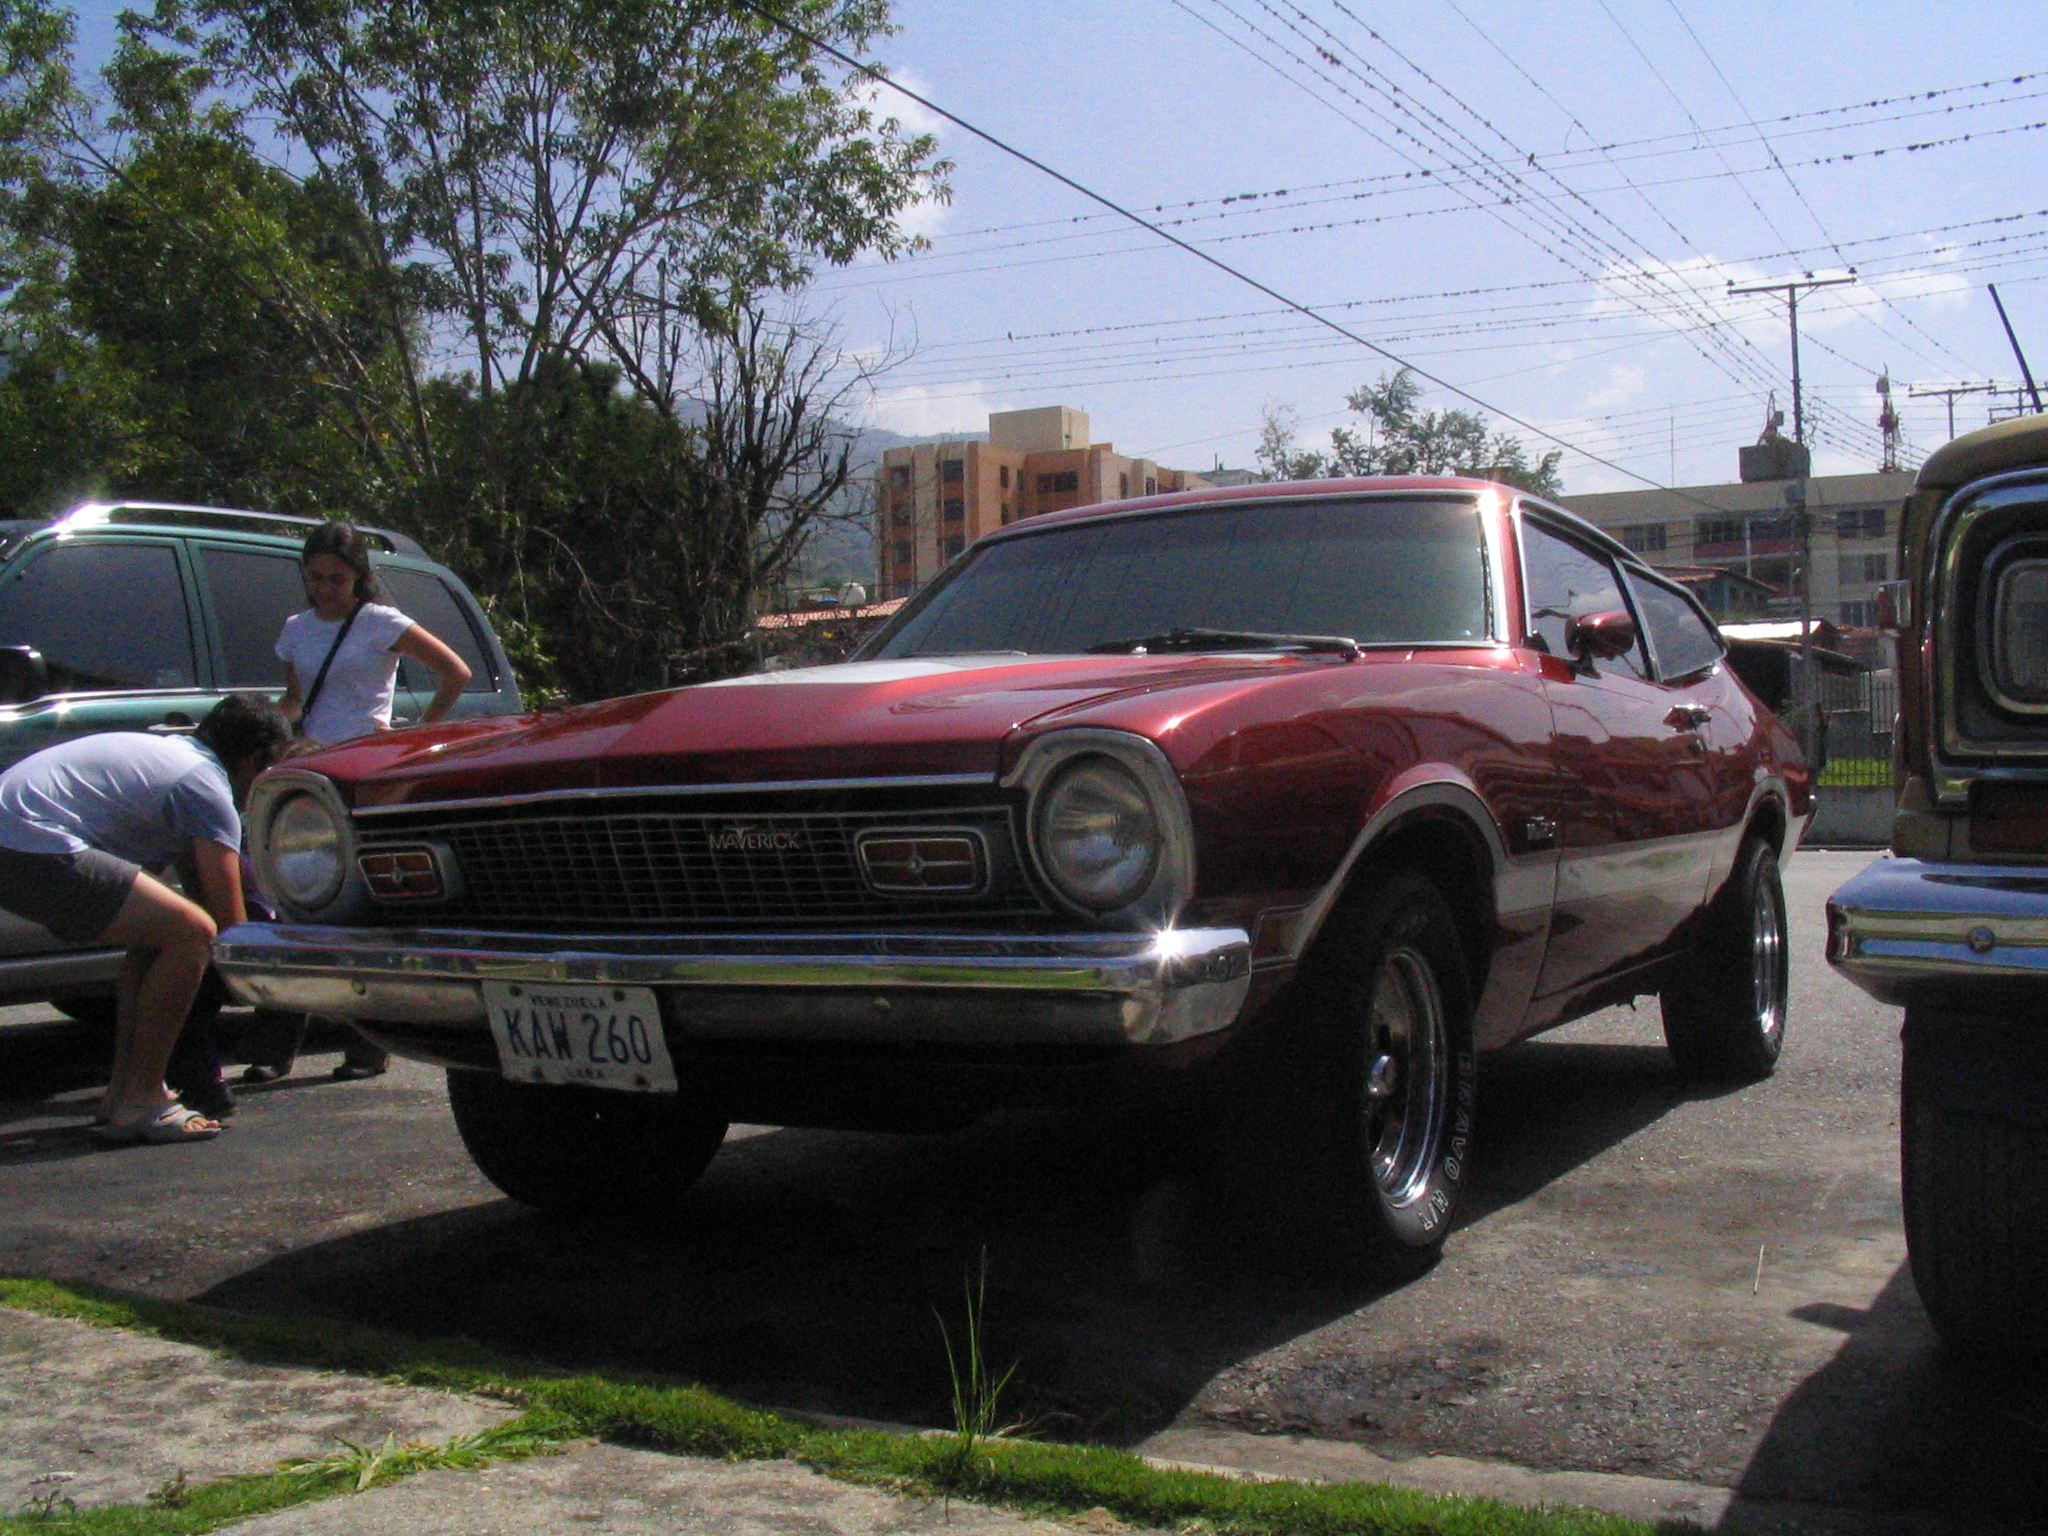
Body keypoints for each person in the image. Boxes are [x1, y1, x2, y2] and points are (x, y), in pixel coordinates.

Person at [0, 695, 290, 1143]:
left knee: (162, 936)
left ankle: (123, 1094)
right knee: (192, 934)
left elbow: (199, 895)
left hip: (18, 836)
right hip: (29, 842)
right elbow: (231, 925)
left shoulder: (172, 758)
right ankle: (142, 1098)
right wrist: (283, 984)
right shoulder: (205, 786)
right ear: (255, 759)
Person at [256, 521, 472, 1082]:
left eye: (338, 579)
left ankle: (367, 1046)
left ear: (358, 578)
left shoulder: (378, 622)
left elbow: (455, 672)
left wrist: (417, 730)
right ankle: (276, 1046)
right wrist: (269, 732)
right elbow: (295, 698)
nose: (326, 589)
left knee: (354, 900)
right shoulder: (297, 629)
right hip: (311, 763)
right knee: (298, 898)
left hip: (362, 762)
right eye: (317, 578)